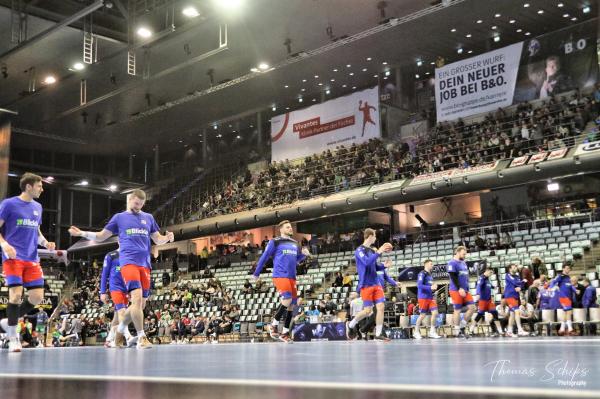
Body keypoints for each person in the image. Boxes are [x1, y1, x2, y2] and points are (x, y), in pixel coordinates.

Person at [68, 189, 174, 349]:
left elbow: (157, 240)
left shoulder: (148, 218)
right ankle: (141, 338)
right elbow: (101, 236)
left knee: (141, 305)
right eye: (135, 203)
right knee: (136, 298)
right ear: (129, 200)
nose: (137, 207)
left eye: (140, 204)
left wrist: (167, 238)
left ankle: (121, 328)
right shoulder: (119, 218)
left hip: (145, 265)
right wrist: (82, 233)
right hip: (128, 263)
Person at [0, 173, 56, 353]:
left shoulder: (38, 207)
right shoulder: (9, 204)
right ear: (29, 186)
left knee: (37, 298)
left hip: (32, 259)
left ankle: (8, 321)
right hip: (13, 258)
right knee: (15, 295)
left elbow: (36, 231)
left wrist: (45, 242)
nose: (42, 189)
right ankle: (13, 337)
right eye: (39, 186)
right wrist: (4, 243)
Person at [252, 220, 310, 343]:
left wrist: (304, 255)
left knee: (292, 306)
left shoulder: (295, 243)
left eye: (291, 227)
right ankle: (273, 325)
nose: (290, 229)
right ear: (281, 229)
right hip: (280, 275)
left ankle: (284, 333)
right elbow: (265, 256)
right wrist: (256, 273)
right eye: (288, 227)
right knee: (287, 299)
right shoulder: (275, 242)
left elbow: (296, 260)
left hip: (292, 276)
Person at [345, 228, 393, 341]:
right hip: (366, 284)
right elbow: (366, 262)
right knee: (368, 311)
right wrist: (379, 251)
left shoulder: (372, 250)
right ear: (370, 236)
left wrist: (384, 266)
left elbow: (374, 266)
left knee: (381, 307)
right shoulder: (359, 250)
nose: (376, 238)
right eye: (375, 236)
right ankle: (351, 325)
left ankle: (378, 333)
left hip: (376, 283)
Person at [100, 248, 134, 348]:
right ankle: (129, 337)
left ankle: (109, 340)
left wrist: (132, 289)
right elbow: (104, 274)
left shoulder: (130, 254)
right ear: (119, 241)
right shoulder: (111, 255)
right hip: (115, 288)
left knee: (117, 318)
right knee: (122, 313)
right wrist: (102, 291)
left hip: (126, 289)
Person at [447, 246, 475, 338]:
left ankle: (462, 326)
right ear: (458, 252)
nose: (465, 255)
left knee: (472, 308)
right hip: (456, 290)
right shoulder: (452, 263)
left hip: (465, 290)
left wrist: (466, 288)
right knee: (457, 310)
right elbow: (453, 276)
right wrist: (459, 288)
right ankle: (457, 331)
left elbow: (465, 276)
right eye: (463, 254)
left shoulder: (463, 262)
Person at [471, 265, 502, 337]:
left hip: (489, 301)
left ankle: (500, 331)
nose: (491, 274)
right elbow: (478, 286)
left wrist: (493, 287)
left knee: (495, 313)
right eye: (490, 272)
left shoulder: (487, 279)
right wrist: (478, 294)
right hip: (482, 301)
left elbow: (488, 285)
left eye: (492, 273)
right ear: (487, 271)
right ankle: (471, 330)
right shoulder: (481, 278)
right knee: (479, 315)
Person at [414, 259, 441, 339]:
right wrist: (430, 287)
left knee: (435, 313)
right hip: (423, 297)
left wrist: (434, 287)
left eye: (432, 264)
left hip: (430, 297)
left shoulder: (430, 275)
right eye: (431, 264)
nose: (432, 265)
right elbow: (419, 285)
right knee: (422, 315)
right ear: (426, 265)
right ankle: (416, 332)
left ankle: (432, 332)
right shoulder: (422, 274)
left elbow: (430, 286)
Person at [549, 263, 578, 336]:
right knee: (569, 312)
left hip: (568, 297)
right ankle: (570, 329)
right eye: (567, 268)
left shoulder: (568, 277)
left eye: (569, 268)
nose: (569, 269)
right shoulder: (560, 276)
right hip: (563, 296)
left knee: (566, 313)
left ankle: (561, 329)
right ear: (563, 269)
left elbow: (570, 286)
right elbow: (553, 281)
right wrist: (550, 287)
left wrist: (575, 290)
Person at [504, 263, 528, 337]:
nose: (516, 268)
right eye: (514, 267)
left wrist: (520, 287)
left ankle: (509, 331)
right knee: (517, 311)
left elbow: (520, 285)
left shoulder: (517, 276)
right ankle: (520, 330)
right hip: (509, 296)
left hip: (516, 296)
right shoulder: (507, 275)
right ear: (510, 269)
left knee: (512, 314)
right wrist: (523, 281)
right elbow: (515, 282)